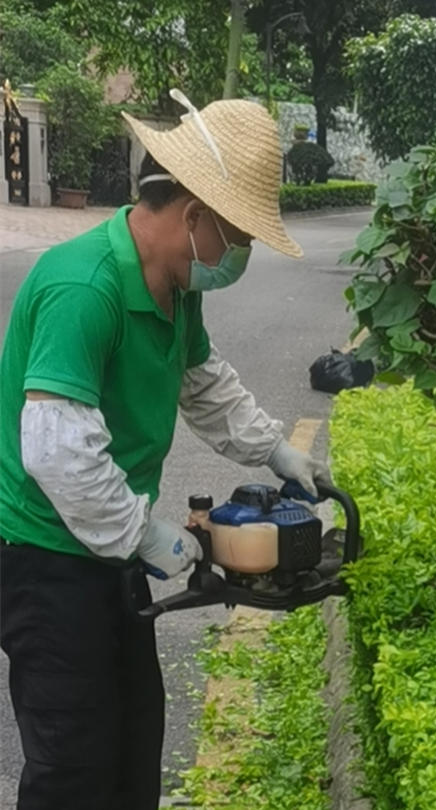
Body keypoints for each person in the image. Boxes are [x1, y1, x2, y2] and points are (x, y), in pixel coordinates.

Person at [0, 90, 331, 810]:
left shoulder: (179, 289)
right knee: (71, 763)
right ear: (192, 216)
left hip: (111, 553)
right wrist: (146, 534)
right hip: (45, 557)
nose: (238, 255)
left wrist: (277, 452)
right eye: (237, 237)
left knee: (131, 744)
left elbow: (203, 382)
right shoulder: (83, 286)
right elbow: (57, 452)